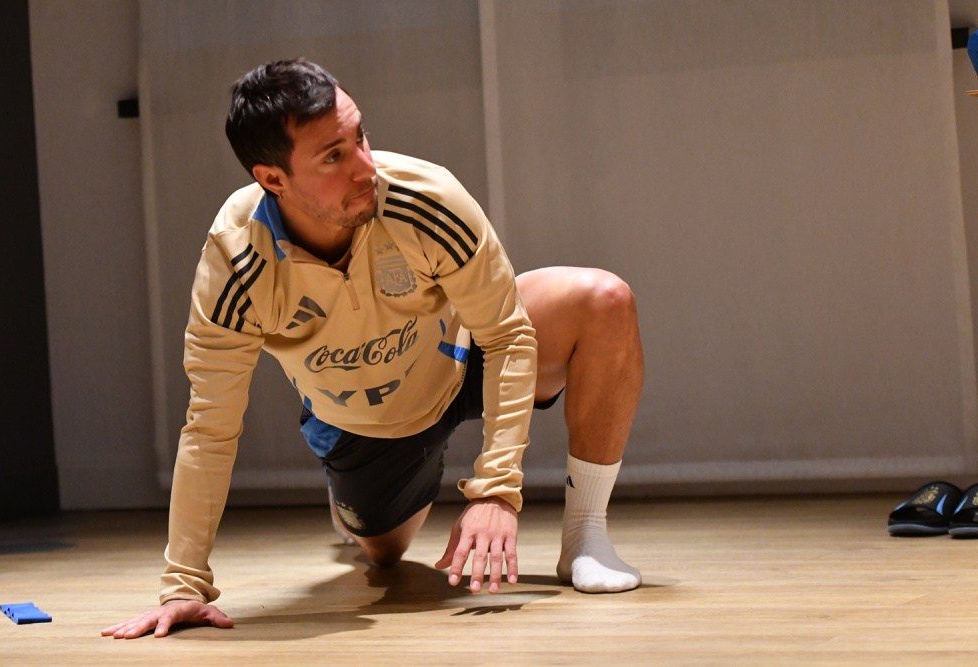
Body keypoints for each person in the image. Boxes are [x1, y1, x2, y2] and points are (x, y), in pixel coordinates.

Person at [103, 58, 644, 640]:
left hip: (459, 354)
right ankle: (351, 511)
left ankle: (586, 534)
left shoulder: (424, 196)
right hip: (366, 425)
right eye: (333, 156)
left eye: (360, 136)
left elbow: (508, 335)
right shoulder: (236, 264)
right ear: (273, 179)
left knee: (604, 300)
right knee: (385, 555)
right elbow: (210, 427)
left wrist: (497, 489)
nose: (365, 167)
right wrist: (183, 584)